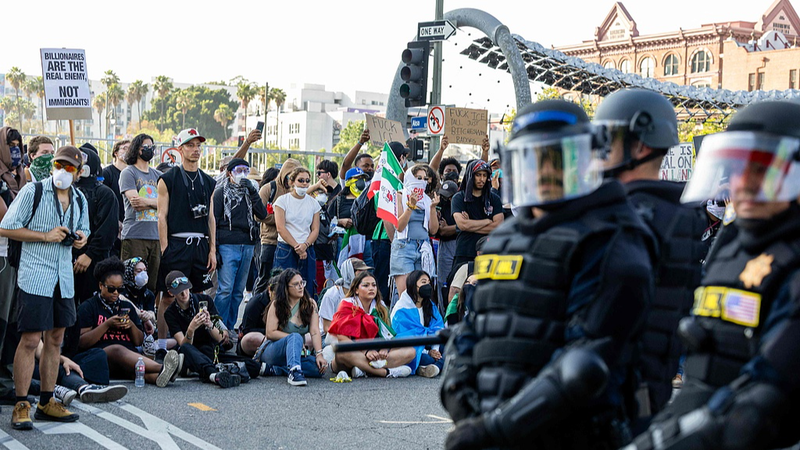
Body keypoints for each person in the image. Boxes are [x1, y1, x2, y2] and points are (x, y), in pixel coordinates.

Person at [442, 100, 656, 450]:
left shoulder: (612, 239)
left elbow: (585, 362)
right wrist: (459, 394)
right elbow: (476, 325)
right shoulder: (504, 239)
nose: (543, 172)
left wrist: (494, 429)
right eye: (531, 160)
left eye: (557, 159)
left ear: (586, 159)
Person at [628, 100, 800, 450]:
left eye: (763, 170)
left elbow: (767, 388)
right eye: (736, 169)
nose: (744, 184)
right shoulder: (732, 241)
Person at [594, 88, 710, 420]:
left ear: (640, 146)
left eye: (609, 139)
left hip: (612, 391)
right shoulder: (678, 214)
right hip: (640, 390)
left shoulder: (627, 215)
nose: (601, 150)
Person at [0, 146, 90, 429]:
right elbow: (5, 226)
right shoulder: (33, 192)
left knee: (55, 338)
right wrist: (44, 236)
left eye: (70, 168)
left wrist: (80, 240)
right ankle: (21, 403)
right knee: (29, 339)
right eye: (59, 165)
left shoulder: (79, 199)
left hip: (63, 278)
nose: (63, 171)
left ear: (78, 172)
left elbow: (84, 231)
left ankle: (47, 401)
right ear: (52, 166)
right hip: (35, 274)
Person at [155, 128, 217, 364]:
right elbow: (162, 216)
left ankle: (198, 344)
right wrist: (165, 249)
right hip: (177, 243)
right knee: (169, 296)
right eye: (190, 146)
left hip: (200, 244)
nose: (195, 150)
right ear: (180, 149)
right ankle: (161, 345)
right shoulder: (168, 179)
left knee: (200, 296)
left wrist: (212, 249)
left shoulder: (208, 181)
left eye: (198, 146)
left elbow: (211, 218)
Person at [77, 257, 180, 387]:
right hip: (100, 356)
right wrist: (107, 324)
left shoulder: (127, 306)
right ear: (100, 286)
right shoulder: (89, 307)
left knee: (142, 374)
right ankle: (163, 368)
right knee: (116, 349)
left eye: (120, 289)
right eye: (111, 289)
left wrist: (130, 325)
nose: (115, 293)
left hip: (129, 358)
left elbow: (138, 341)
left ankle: (162, 375)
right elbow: (82, 342)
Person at [164, 271, 259, 388]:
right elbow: (183, 344)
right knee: (185, 348)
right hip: (194, 351)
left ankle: (219, 370)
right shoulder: (170, 313)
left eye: (186, 289)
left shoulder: (205, 300)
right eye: (179, 291)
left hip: (212, 350)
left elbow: (221, 338)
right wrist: (191, 329)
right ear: (171, 293)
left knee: (254, 367)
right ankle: (214, 374)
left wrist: (209, 324)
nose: (184, 294)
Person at [213, 158, 267, 331]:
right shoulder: (221, 193)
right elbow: (213, 220)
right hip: (227, 244)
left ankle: (229, 327)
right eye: (238, 170)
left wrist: (252, 191)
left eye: (245, 170)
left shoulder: (250, 193)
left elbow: (262, 214)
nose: (242, 174)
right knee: (225, 290)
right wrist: (214, 248)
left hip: (248, 244)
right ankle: (218, 329)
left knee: (238, 291)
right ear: (229, 173)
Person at [328, 272, 415, 379]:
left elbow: (388, 335)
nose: (371, 288)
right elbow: (342, 339)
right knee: (343, 352)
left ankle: (364, 369)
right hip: (354, 354)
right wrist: (365, 351)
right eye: (366, 285)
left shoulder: (381, 307)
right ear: (356, 290)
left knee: (410, 351)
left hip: (376, 354)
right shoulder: (346, 304)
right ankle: (384, 372)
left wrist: (385, 348)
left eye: (374, 285)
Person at [258, 269, 326, 386]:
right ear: (286, 288)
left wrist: (319, 354)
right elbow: (270, 333)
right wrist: (294, 340)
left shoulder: (310, 304)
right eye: (296, 284)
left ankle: (277, 369)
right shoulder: (277, 304)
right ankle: (294, 372)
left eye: (302, 283)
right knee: (295, 337)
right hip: (274, 350)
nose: (301, 287)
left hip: (296, 352)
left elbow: (314, 332)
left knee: (318, 368)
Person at [73, 146, 119, 302]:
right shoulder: (66, 191)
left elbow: (108, 230)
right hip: (67, 258)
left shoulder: (104, 194)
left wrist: (89, 254)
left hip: (94, 261)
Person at [120, 133, 162, 292]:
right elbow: (136, 203)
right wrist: (157, 204)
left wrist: (148, 202)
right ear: (137, 149)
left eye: (152, 147)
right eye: (146, 147)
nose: (150, 150)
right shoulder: (128, 172)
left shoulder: (158, 175)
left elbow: (168, 205)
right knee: (131, 283)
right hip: (134, 236)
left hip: (156, 236)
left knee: (151, 286)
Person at [449, 159, 504, 281]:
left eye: (485, 175)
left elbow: (498, 226)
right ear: (471, 176)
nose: (482, 179)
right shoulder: (459, 198)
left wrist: (471, 224)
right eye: (478, 175)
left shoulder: (494, 199)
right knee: (457, 290)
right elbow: (463, 225)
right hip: (465, 251)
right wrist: (487, 221)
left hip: (488, 252)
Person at [254, 159, 302, 295]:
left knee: (285, 281)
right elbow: (258, 215)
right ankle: (256, 308)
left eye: (295, 178)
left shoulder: (297, 192)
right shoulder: (269, 189)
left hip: (290, 243)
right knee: (265, 279)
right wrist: (279, 219)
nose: (291, 181)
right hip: (270, 241)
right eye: (289, 177)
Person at [391, 164, 439, 297]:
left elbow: (433, 230)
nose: (423, 182)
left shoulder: (427, 200)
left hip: (423, 247)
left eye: (425, 179)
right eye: (419, 178)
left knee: (421, 293)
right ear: (410, 178)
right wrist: (410, 207)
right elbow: (399, 226)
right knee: (406, 294)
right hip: (404, 246)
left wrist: (433, 208)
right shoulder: (400, 195)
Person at [273, 166, 320, 296]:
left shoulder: (313, 203)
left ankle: (306, 315)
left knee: (307, 287)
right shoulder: (282, 201)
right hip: (286, 249)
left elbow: (315, 229)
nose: (304, 184)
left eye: (307, 180)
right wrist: (296, 246)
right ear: (292, 182)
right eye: (301, 180)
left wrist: (305, 245)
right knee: (283, 287)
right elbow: (280, 228)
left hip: (307, 248)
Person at [390, 270, 445, 378]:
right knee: (427, 358)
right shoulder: (401, 309)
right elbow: (403, 337)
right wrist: (428, 352)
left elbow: (437, 329)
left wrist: (435, 350)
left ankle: (434, 367)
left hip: (429, 342)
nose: (427, 286)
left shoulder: (430, 305)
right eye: (423, 282)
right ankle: (438, 365)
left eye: (429, 283)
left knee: (448, 347)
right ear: (413, 285)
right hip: (412, 347)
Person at [318, 258, 372, 336]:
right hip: (329, 337)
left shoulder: (365, 293)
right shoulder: (332, 294)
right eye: (360, 272)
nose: (364, 276)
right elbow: (327, 327)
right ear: (349, 273)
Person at [239, 270, 281, 357]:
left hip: (283, 337)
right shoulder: (255, 303)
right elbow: (247, 330)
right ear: (270, 290)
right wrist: (272, 332)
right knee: (254, 338)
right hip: (262, 337)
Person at [121, 257, 157, 352]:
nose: (143, 274)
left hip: (146, 333)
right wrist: (138, 313)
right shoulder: (121, 291)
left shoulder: (148, 294)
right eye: (139, 271)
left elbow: (152, 314)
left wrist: (148, 315)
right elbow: (121, 299)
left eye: (145, 270)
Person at [435, 179, 459, 303]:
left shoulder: (460, 204)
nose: (445, 198)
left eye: (448, 196)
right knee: (443, 283)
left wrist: (451, 228)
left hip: (459, 245)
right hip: (444, 246)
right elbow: (440, 231)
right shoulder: (440, 206)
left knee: (458, 282)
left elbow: (463, 226)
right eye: (443, 195)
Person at [102, 139, 130, 226]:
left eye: (130, 148)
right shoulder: (107, 173)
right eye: (124, 148)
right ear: (116, 153)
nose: (128, 151)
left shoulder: (133, 174)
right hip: (113, 222)